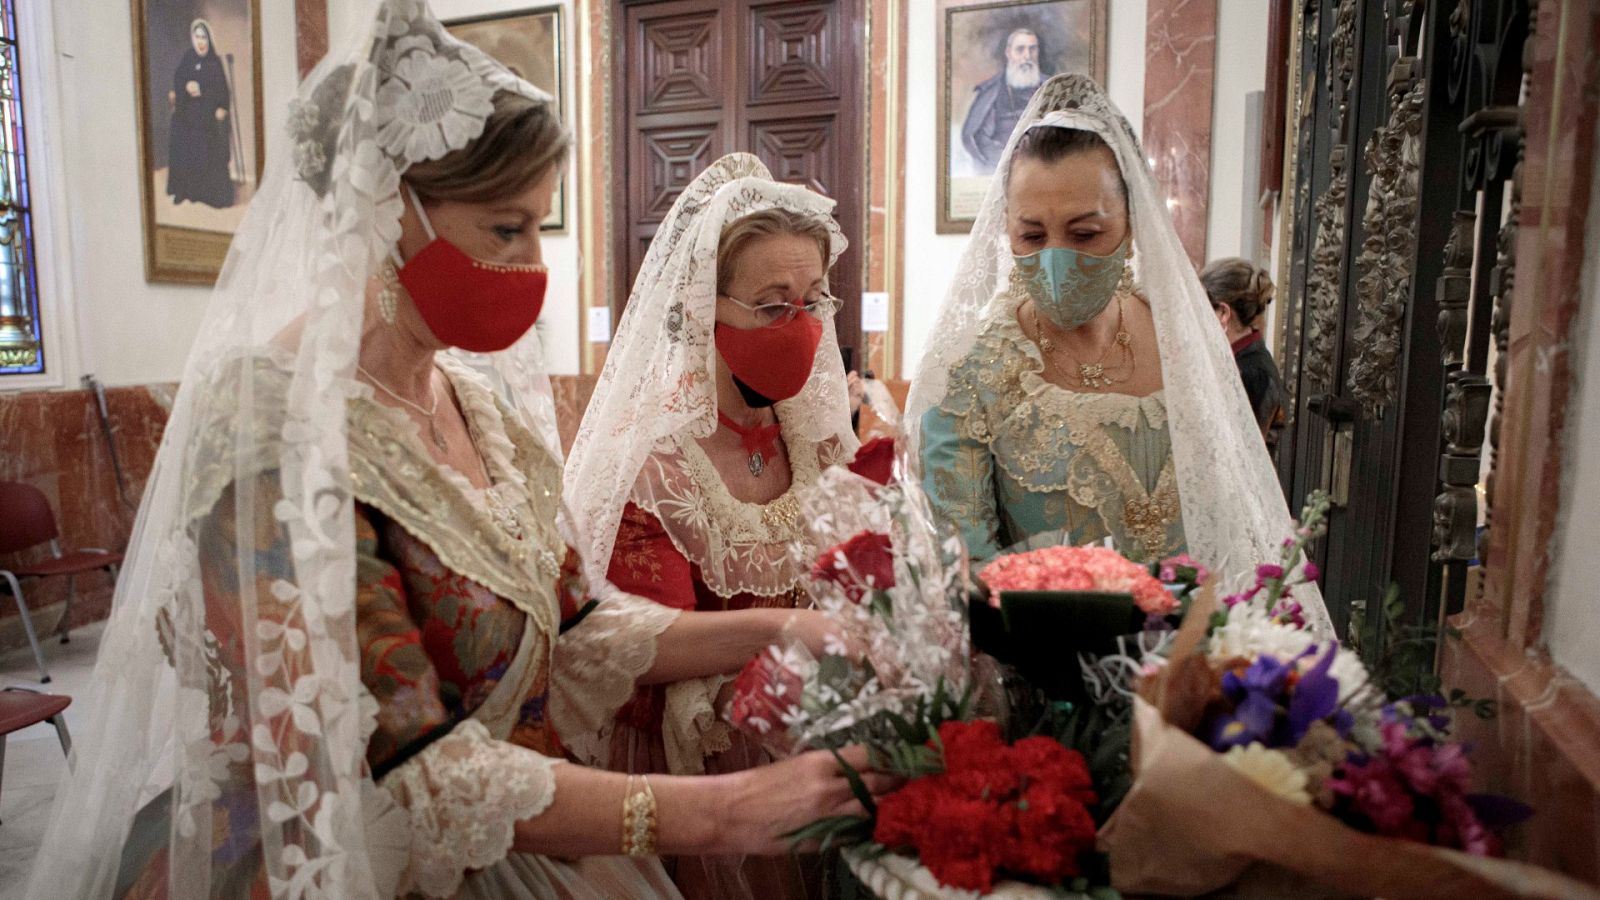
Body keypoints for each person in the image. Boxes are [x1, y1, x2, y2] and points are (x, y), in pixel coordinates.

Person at [25, 5, 891, 898]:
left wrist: (781, 627)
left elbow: (580, 627)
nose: (532, 266)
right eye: (505, 229)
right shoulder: (276, 432)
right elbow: (409, 764)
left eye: (538, 228)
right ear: (383, 212)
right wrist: (721, 810)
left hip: (516, 829)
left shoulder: (476, 407)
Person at [564, 154, 890, 898]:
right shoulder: (654, 467)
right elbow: (644, 651)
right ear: (701, 310)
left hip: (822, 740)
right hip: (701, 771)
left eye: (813, 300)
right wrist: (791, 643)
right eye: (773, 307)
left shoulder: (819, 443)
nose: (800, 326)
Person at [908, 74, 1330, 632]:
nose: (1056, 260)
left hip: (1204, 660)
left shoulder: (1185, 339)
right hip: (1048, 664)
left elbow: (1233, 519)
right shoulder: (967, 372)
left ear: (1133, 224)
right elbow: (963, 577)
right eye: (1032, 236)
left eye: (1085, 234)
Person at [1202, 257, 1286, 453]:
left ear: (1223, 313)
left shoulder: (1253, 372)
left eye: (1200, 310)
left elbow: (1238, 454)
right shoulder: (1244, 362)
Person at [166, 19, 235, 209]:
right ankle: (183, 190)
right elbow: (178, 78)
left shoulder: (214, 62)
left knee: (199, 133)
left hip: (207, 111)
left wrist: (202, 89)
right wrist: (185, 86)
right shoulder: (188, 57)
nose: (200, 42)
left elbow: (222, 93)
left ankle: (203, 193)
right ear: (192, 38)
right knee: (178, 126)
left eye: (203, 37)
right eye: (197, 37)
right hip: (188, 108)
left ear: (208, 39)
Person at [961, 28, 1047, 171]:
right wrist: (1010, 161)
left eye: (1032, 49)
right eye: (1020, 49)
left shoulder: (1052, 87)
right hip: (1001, 167)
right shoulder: (992, 91)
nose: (1027, 56)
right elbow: (979, 138)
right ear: (1008, 53)